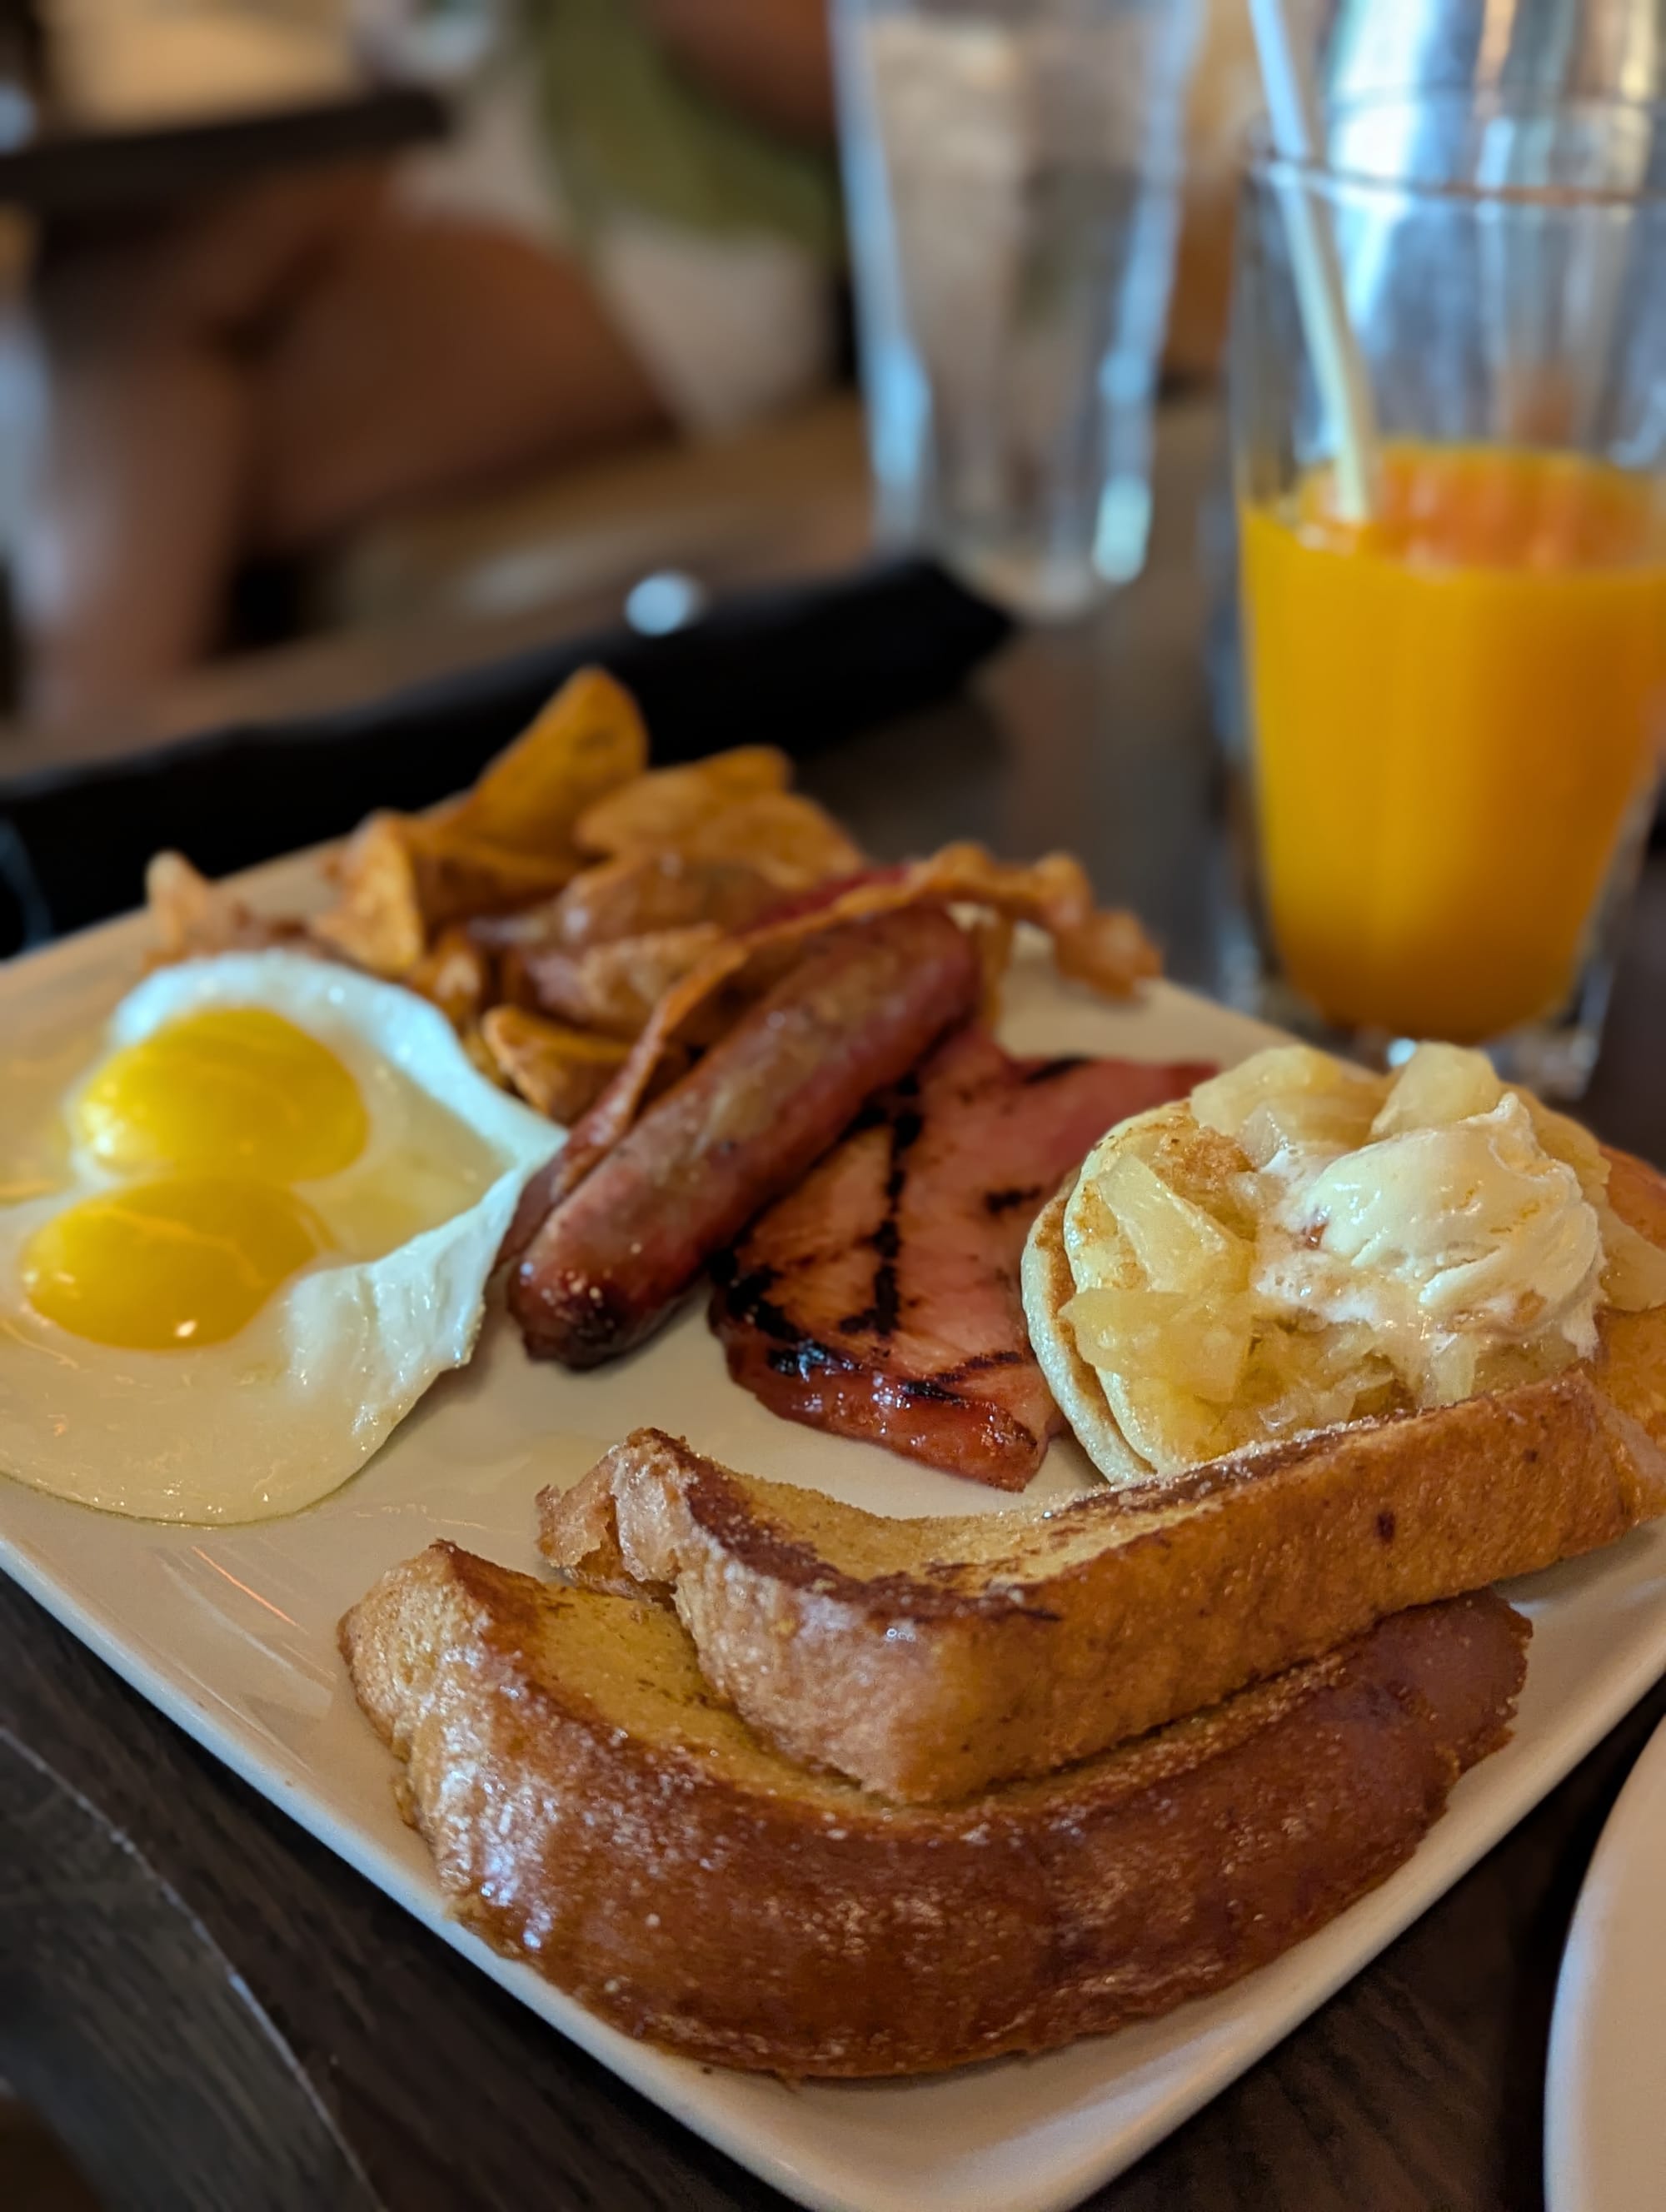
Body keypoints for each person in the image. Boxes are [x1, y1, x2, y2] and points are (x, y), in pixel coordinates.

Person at [19, 0, 841, 724]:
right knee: (111, 294)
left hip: (677, 235)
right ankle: (102, 773)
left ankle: (86, 771)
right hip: (447, 132)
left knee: (134, 390)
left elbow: (823, 70)